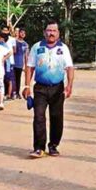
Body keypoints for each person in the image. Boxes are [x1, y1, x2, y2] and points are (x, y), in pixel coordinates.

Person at [23, 20, 75, 158]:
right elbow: (29, 67)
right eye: (49, 30)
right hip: (40, 88)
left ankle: (53, 145)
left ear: (58, 33)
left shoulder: (63, 48)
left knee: (56, 117)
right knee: (38, 116)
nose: (51, 33)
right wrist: (27, 86)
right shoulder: (36, 47)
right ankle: (39, 148)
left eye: (54, 31)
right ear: (44, 32)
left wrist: (69, 86)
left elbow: (70, 67)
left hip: (57, 88)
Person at [0, 32, 13, 110]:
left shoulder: (1, 47)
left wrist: (4, 59)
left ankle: (1, 102)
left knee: (0, 85)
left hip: (0, 70)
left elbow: (10, 52)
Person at [13, 27, 28, 99]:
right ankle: (11, 92)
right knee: (12, 78)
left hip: (20, 64)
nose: (22, 34)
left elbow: (26, 56)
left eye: (24, 33)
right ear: (18, 33)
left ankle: (17, 92)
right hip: (13, 63)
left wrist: (26, 66)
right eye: (21, 32)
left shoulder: (25, 44)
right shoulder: (14, 41)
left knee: (18, 79)